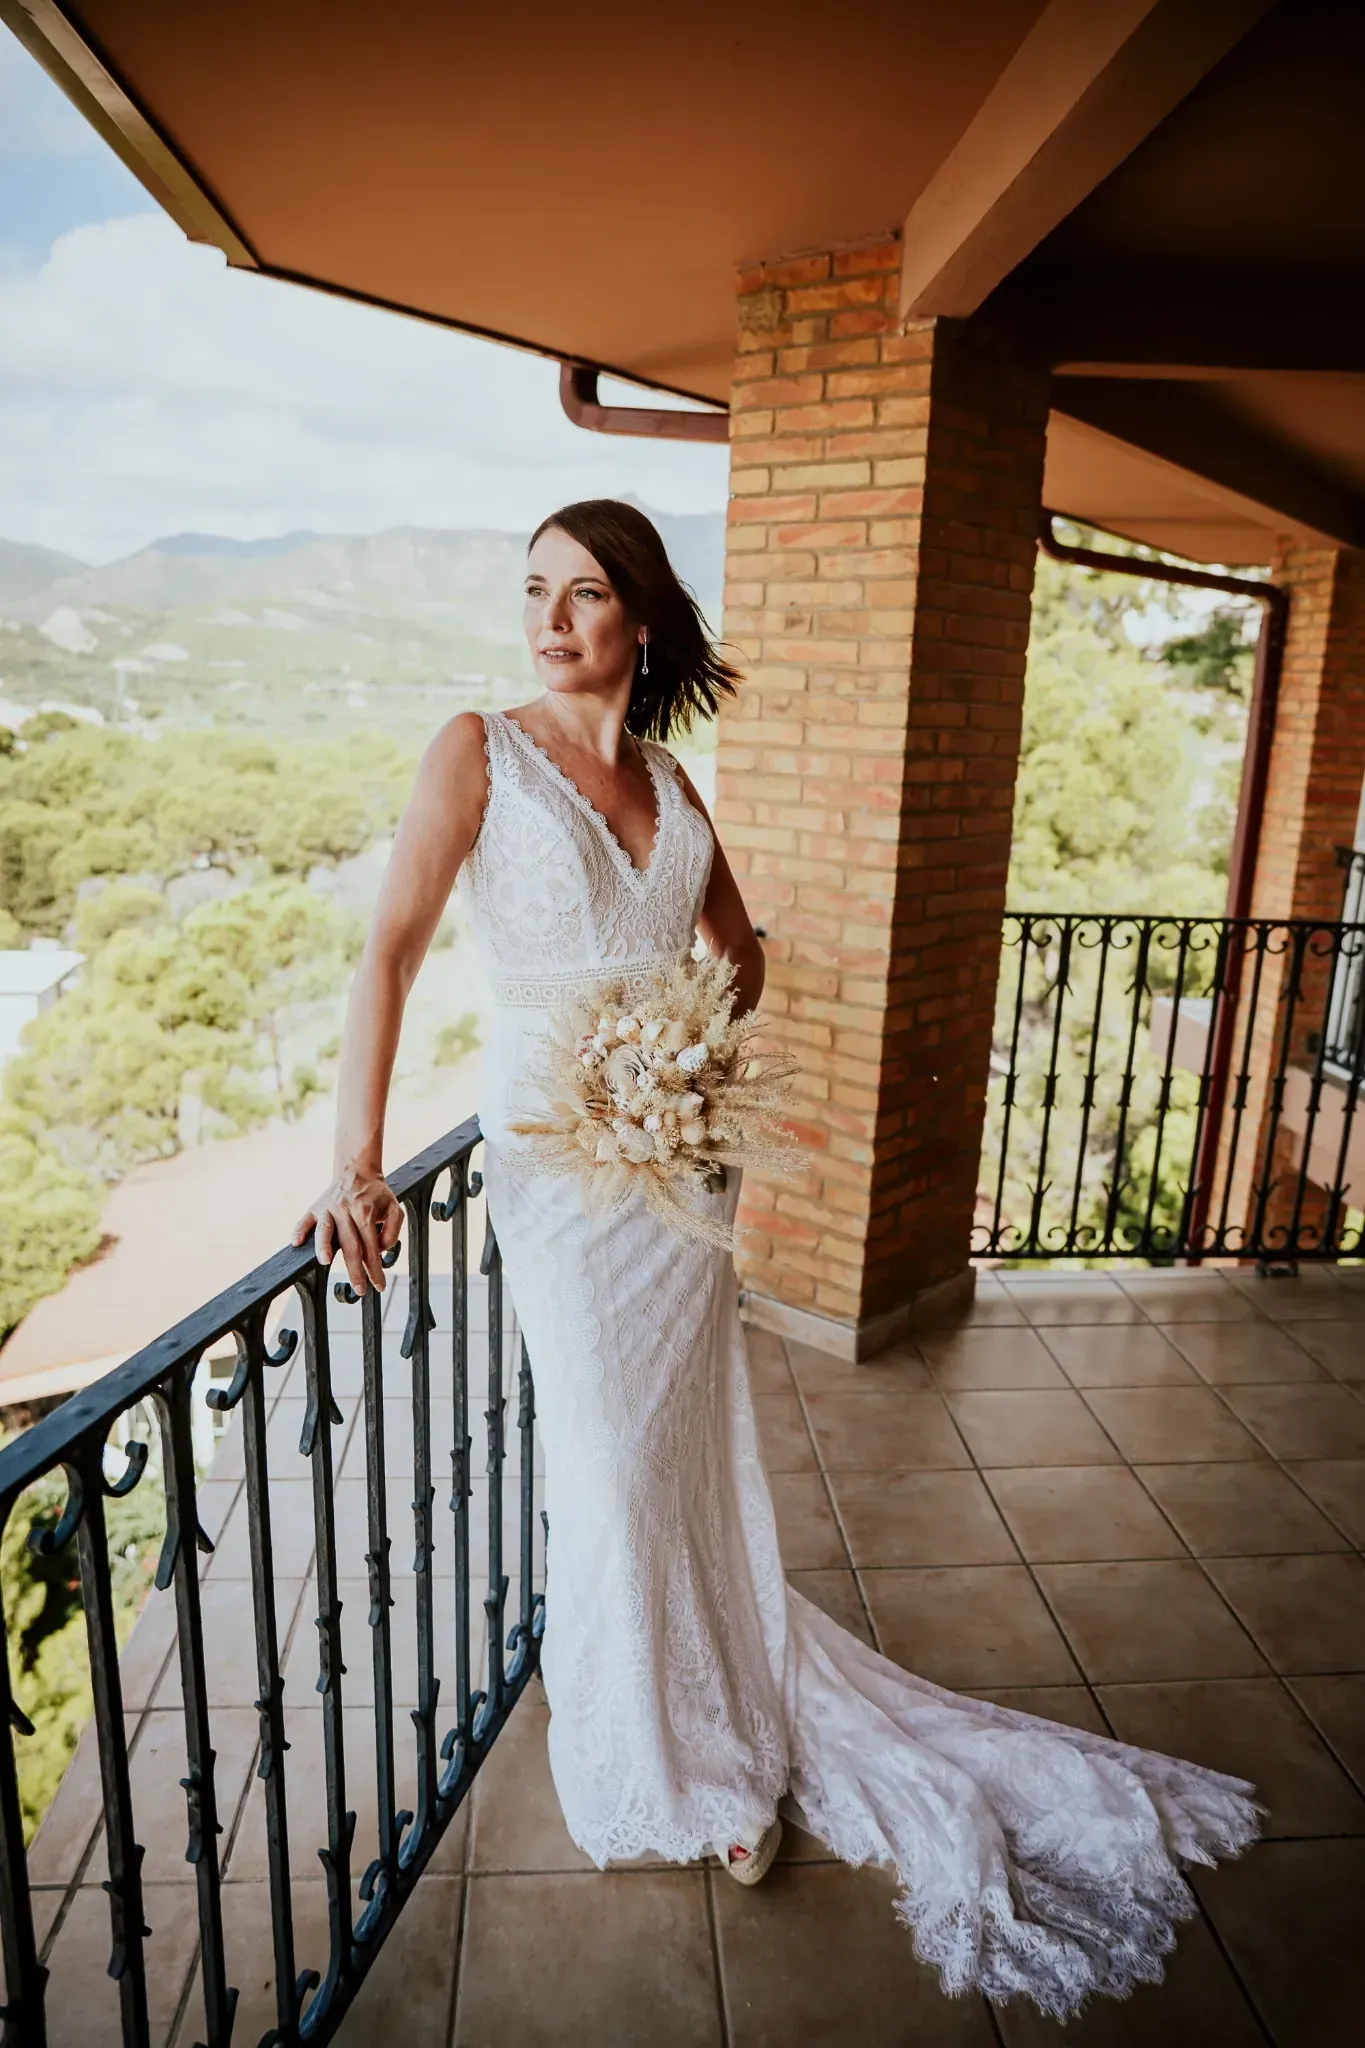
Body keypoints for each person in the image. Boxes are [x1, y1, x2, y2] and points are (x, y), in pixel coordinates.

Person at [293, 498, 1259, 2018]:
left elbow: (740, 951)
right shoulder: (476, 749)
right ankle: (659, 1750)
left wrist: (687, 1057)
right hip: (559, 1181)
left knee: (670, 1451)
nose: (549, 619)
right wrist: (355, 1162)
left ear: (643, 622)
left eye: (586, 593)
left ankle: (684, 1687)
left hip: (680, 1177)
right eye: (532, 589)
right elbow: (390, 953)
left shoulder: (674, 782)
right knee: (608, 1460)